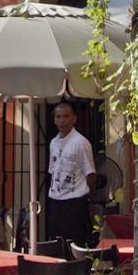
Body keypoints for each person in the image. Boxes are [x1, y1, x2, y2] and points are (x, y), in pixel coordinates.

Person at [46, 101, 96, 248]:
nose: (62, 121)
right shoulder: (54, 143)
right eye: (58, 117)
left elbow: (91, 174)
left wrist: (87, 197)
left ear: (74, 118)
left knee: (76, 245)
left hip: (74, 203)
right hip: (55, 201)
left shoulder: (80, 143)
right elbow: (52, 171)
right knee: (57, 244)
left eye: (66, 116)